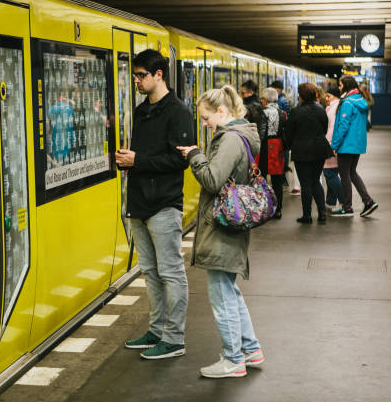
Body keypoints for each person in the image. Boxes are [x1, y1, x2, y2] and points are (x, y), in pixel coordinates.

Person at [176, 85, 264, 378]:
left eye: (205, 118)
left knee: (221, 294)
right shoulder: (244, 135)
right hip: (232, 224)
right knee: (230, 290)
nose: (205, 124)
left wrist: (195, 156)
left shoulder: (229, 140)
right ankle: (250, 349)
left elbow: (213, 180)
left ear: (222, 112)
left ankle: (233, 359)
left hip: (221, 227)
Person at [116, 49, 194, 359]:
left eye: (141, 76)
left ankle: (174, 338)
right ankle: (157, 328)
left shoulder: (178, 112)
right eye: (135, 76)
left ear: (158, 74)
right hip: (139, 201)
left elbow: (180, 160)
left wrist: (139, 160)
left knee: (171, 272)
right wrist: (128, 161)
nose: (136, 80)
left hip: (163, 203)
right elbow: (143, 157)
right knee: (150, 271)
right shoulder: (140, 111)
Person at [330, 76, 378, 217]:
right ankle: (368, 201)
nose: (339, 87)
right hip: (356, 145)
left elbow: (343, 126)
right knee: (351, 173)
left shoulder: (347, 103)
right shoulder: (360, 100)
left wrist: (334, 145)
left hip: (346, 145)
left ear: (346, 85)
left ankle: (347, 207)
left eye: (340, 85)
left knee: (345, 175)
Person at [284, 82, 330, 224]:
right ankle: (322, 213)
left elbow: (289, 133)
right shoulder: (321, 109)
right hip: (319, 149)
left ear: (301, 95)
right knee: (316, 181)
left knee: (305, 184)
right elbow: (324, 128)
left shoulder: (296, 112)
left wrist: (292, 145)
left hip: (302, 151)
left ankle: (307, 215)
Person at [258, 87, 287, 219]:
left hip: (265, 147)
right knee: (277, 181)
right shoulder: (282, 113)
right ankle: (278, 209)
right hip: (278, 147)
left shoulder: (262, 113)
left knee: (261, 178)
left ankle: (264, 207)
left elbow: (261, 133)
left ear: (265, 100)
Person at [323, 87, 344, 210]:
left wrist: (331, 146)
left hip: (331, 145)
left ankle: (344, 202)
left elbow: (332, 129)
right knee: (332, 173)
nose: (326, 98)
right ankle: (330, 202)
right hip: (333, 144)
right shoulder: (333, 107)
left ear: (335, 96)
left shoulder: (334, 109)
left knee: (329, 173)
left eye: (329, 96)